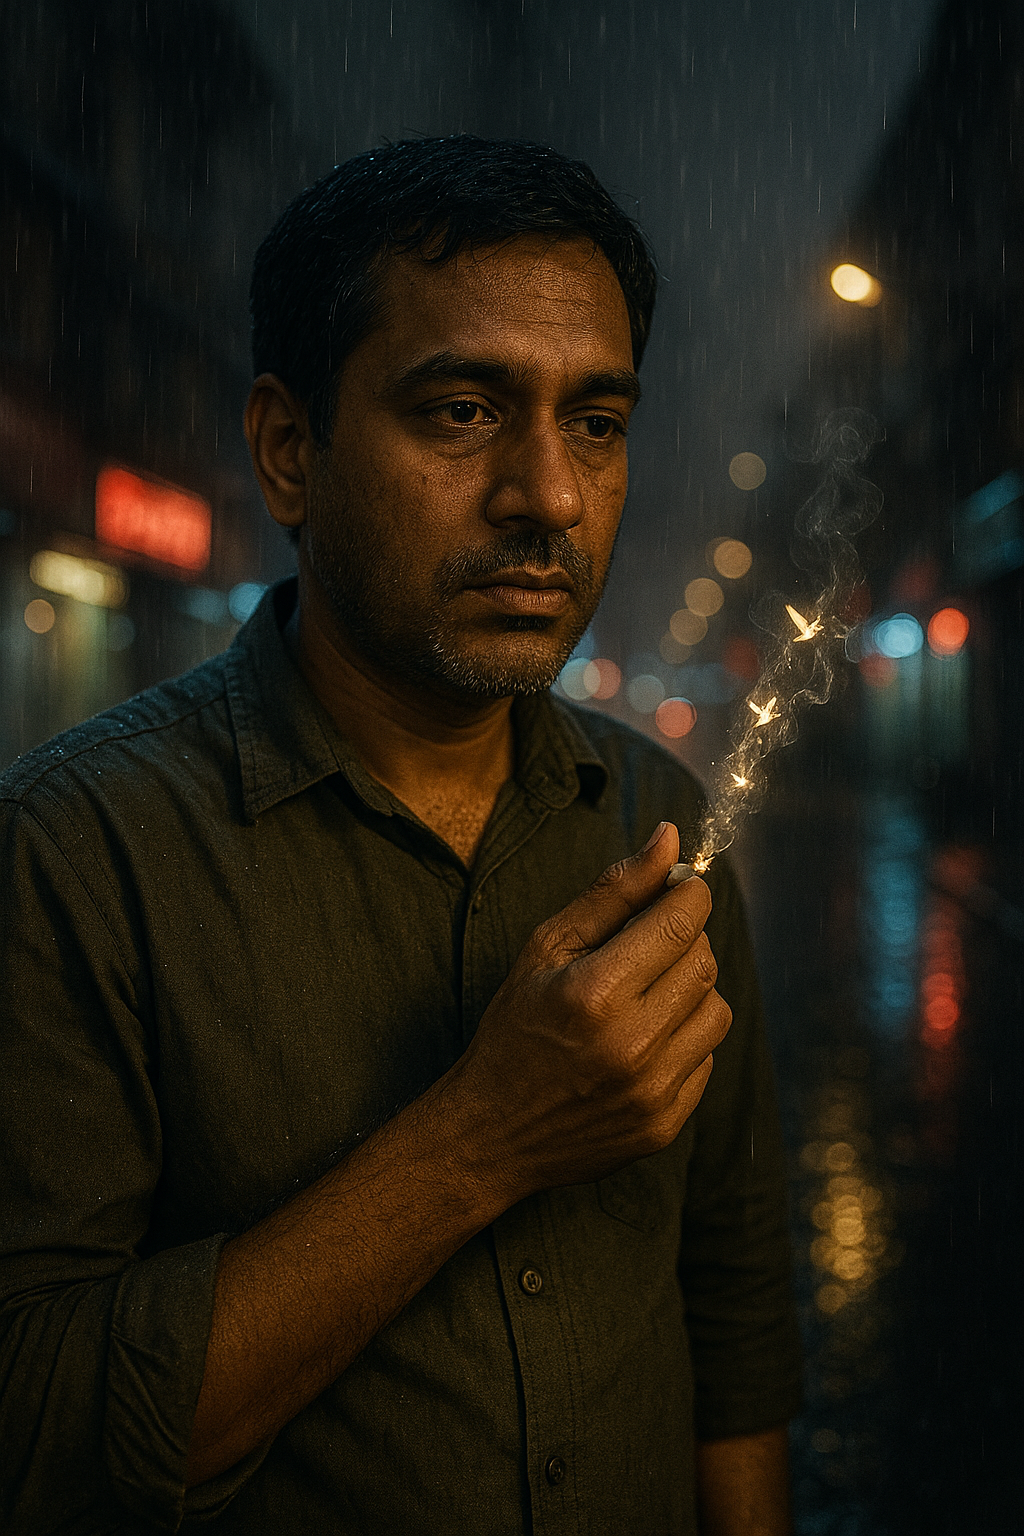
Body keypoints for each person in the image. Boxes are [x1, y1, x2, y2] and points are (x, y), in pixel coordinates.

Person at [0, 136, 801, 1534]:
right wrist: (481, 1139)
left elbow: (729, 1303)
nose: (547, 496)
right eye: (462, 413)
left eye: (597, 422)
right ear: (289, 448)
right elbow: (35, 1430)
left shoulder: (658, 825)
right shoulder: (79, 855)